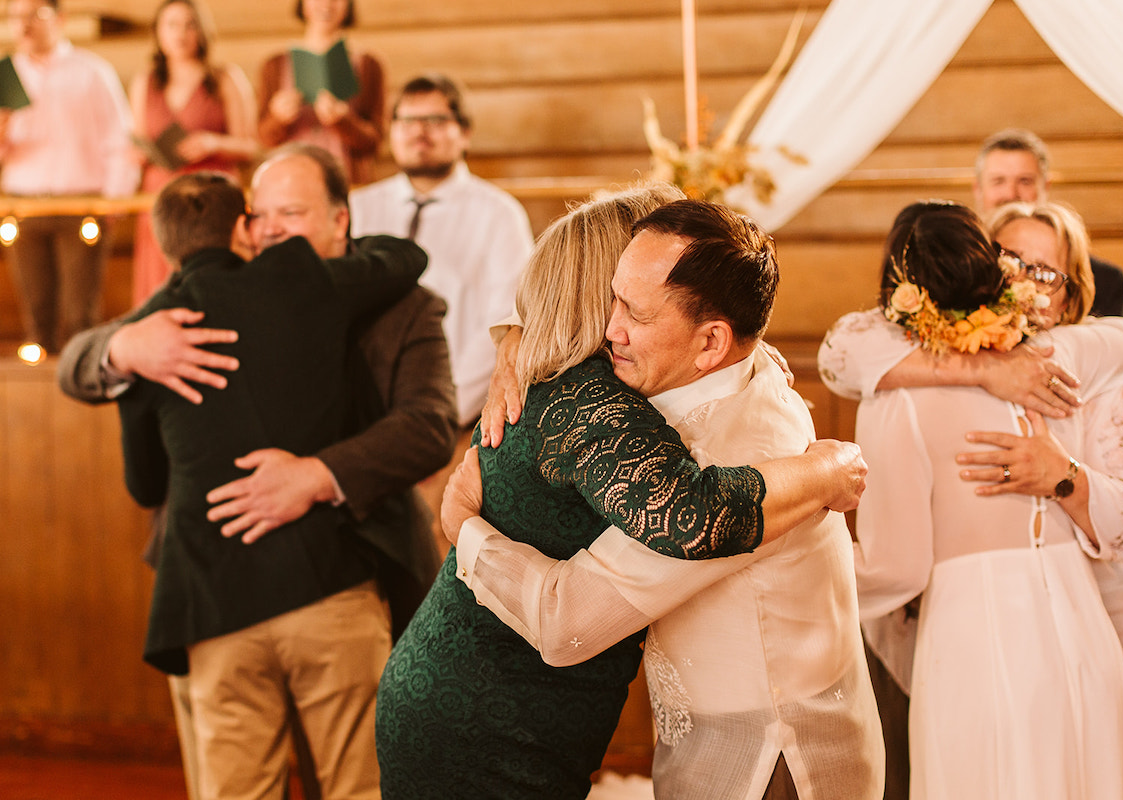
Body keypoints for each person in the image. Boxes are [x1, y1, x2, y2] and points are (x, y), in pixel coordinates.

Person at [373, 189, 868, 799]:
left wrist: (464, 528)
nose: (611, 328)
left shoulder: (721, 439)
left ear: (712, 340)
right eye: (611, 298)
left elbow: (571, 620)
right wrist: (516, 337)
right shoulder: (617, 390)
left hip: (767, 753)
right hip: (489, 719)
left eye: (631, 308)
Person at [58, 144, 458, 800]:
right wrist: (121, 346)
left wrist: (318, 474)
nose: (271, 228)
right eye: (260, 213)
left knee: (372, 779)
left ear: (338, 220)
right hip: (220, 587)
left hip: (359, 566)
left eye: (291, 213)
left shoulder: (406, 305)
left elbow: (429, 427)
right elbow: (75, 360)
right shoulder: (186, 310)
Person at [819, 200, 1123, 800]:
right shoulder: (918, 370)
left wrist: (800, 563)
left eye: (1047, 272)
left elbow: (895, 569)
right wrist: (980, 368)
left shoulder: (1065, 362)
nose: (1029, 282)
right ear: (985, 266)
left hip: (991, 631)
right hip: (1075, 632)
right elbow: (842, 350)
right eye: (1012, 260)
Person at [348, 72, 534, 548]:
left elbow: (506, 326)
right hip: (356, 426)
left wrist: (433, 413)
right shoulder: (356, 207)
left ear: (463, 131)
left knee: (433, 556)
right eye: (407, 120)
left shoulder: (498, 214)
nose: (419, 131)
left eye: (435, 119)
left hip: (451, 427)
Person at [0, 0, 138, 352]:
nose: (24, 26)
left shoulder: (91, 72)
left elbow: (120, 139)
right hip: (23, 207)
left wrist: (113, 203)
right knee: (36, 314)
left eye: (34, 16)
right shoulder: (5, 76)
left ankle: (79, 396)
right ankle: (39, 399)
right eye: (16, 17)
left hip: (82, 204)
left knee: (80, 314)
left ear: (59, 19)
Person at [127, 0, 259, 305]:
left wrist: (214, 143)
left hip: (210, 194)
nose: (181, 34)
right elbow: (138, 139)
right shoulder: (145, 82)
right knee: (161, 283)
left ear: (201, 31)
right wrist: (137, 153)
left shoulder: (224, 78)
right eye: (171, 25)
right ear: (158, 33)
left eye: (189, 24)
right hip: (160, 194)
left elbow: (251, 145)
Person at [973, 128, 1123, 316]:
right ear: (978, 189)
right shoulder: (953, 267)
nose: (1011, 194)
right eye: (998, 181)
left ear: (1045, 187)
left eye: (1025, 181)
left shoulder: (1104, 280)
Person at [258, 0, 383, 185]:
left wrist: (342, 121)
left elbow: (374, 142)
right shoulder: (274, 65)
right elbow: (263, 138)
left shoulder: (368, 65)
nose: (327, 3)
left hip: (346, 180)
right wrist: (278, 118)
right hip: (291, 179)